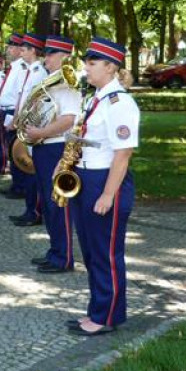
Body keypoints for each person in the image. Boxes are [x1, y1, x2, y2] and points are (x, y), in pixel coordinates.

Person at [66, 37, 139, 336]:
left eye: (92, 63)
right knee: (92, 251)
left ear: (110, 67)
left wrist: (108, 194)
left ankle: (107, 316)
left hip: (105, 180)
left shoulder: (120, 103)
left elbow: (123, 153)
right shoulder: (95, 98)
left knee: (106, 253)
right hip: (86, 177)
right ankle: (97, 309)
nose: (86, 67)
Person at [23, 36, 81, 273]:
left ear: (64, 57)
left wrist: (40, 131)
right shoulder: (51, 82)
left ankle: (64, 257)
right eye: (45, 53)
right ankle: (55, 251)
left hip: (55, 146)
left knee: (58, 204)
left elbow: (69, 120)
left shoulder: (67, 84)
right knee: (48, 204)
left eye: (50, 54)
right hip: (44, 146)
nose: (45, 57)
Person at [9, 33, 47, 226]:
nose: (20, 52)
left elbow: (39, 100)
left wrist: (27, 121)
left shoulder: (40, 72)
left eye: (24, 49)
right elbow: (21, 97)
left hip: (33, 124)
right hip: (24, 122)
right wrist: (16, 118)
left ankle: (35, 212)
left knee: (33, 169)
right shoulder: (27, 71)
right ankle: (29, 209)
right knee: (26, 167)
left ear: (33, 50)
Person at [0, 34, 28, 195]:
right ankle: (16, 184)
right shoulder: (15, 67)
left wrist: (15, 117)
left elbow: (20, 94)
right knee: (10, 149)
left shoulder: (23, 68)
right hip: (7, 110)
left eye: (11, 47)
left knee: (16, 150)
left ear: (18, 49)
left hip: (13, 111)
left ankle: (20, 186)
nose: (8, 50)